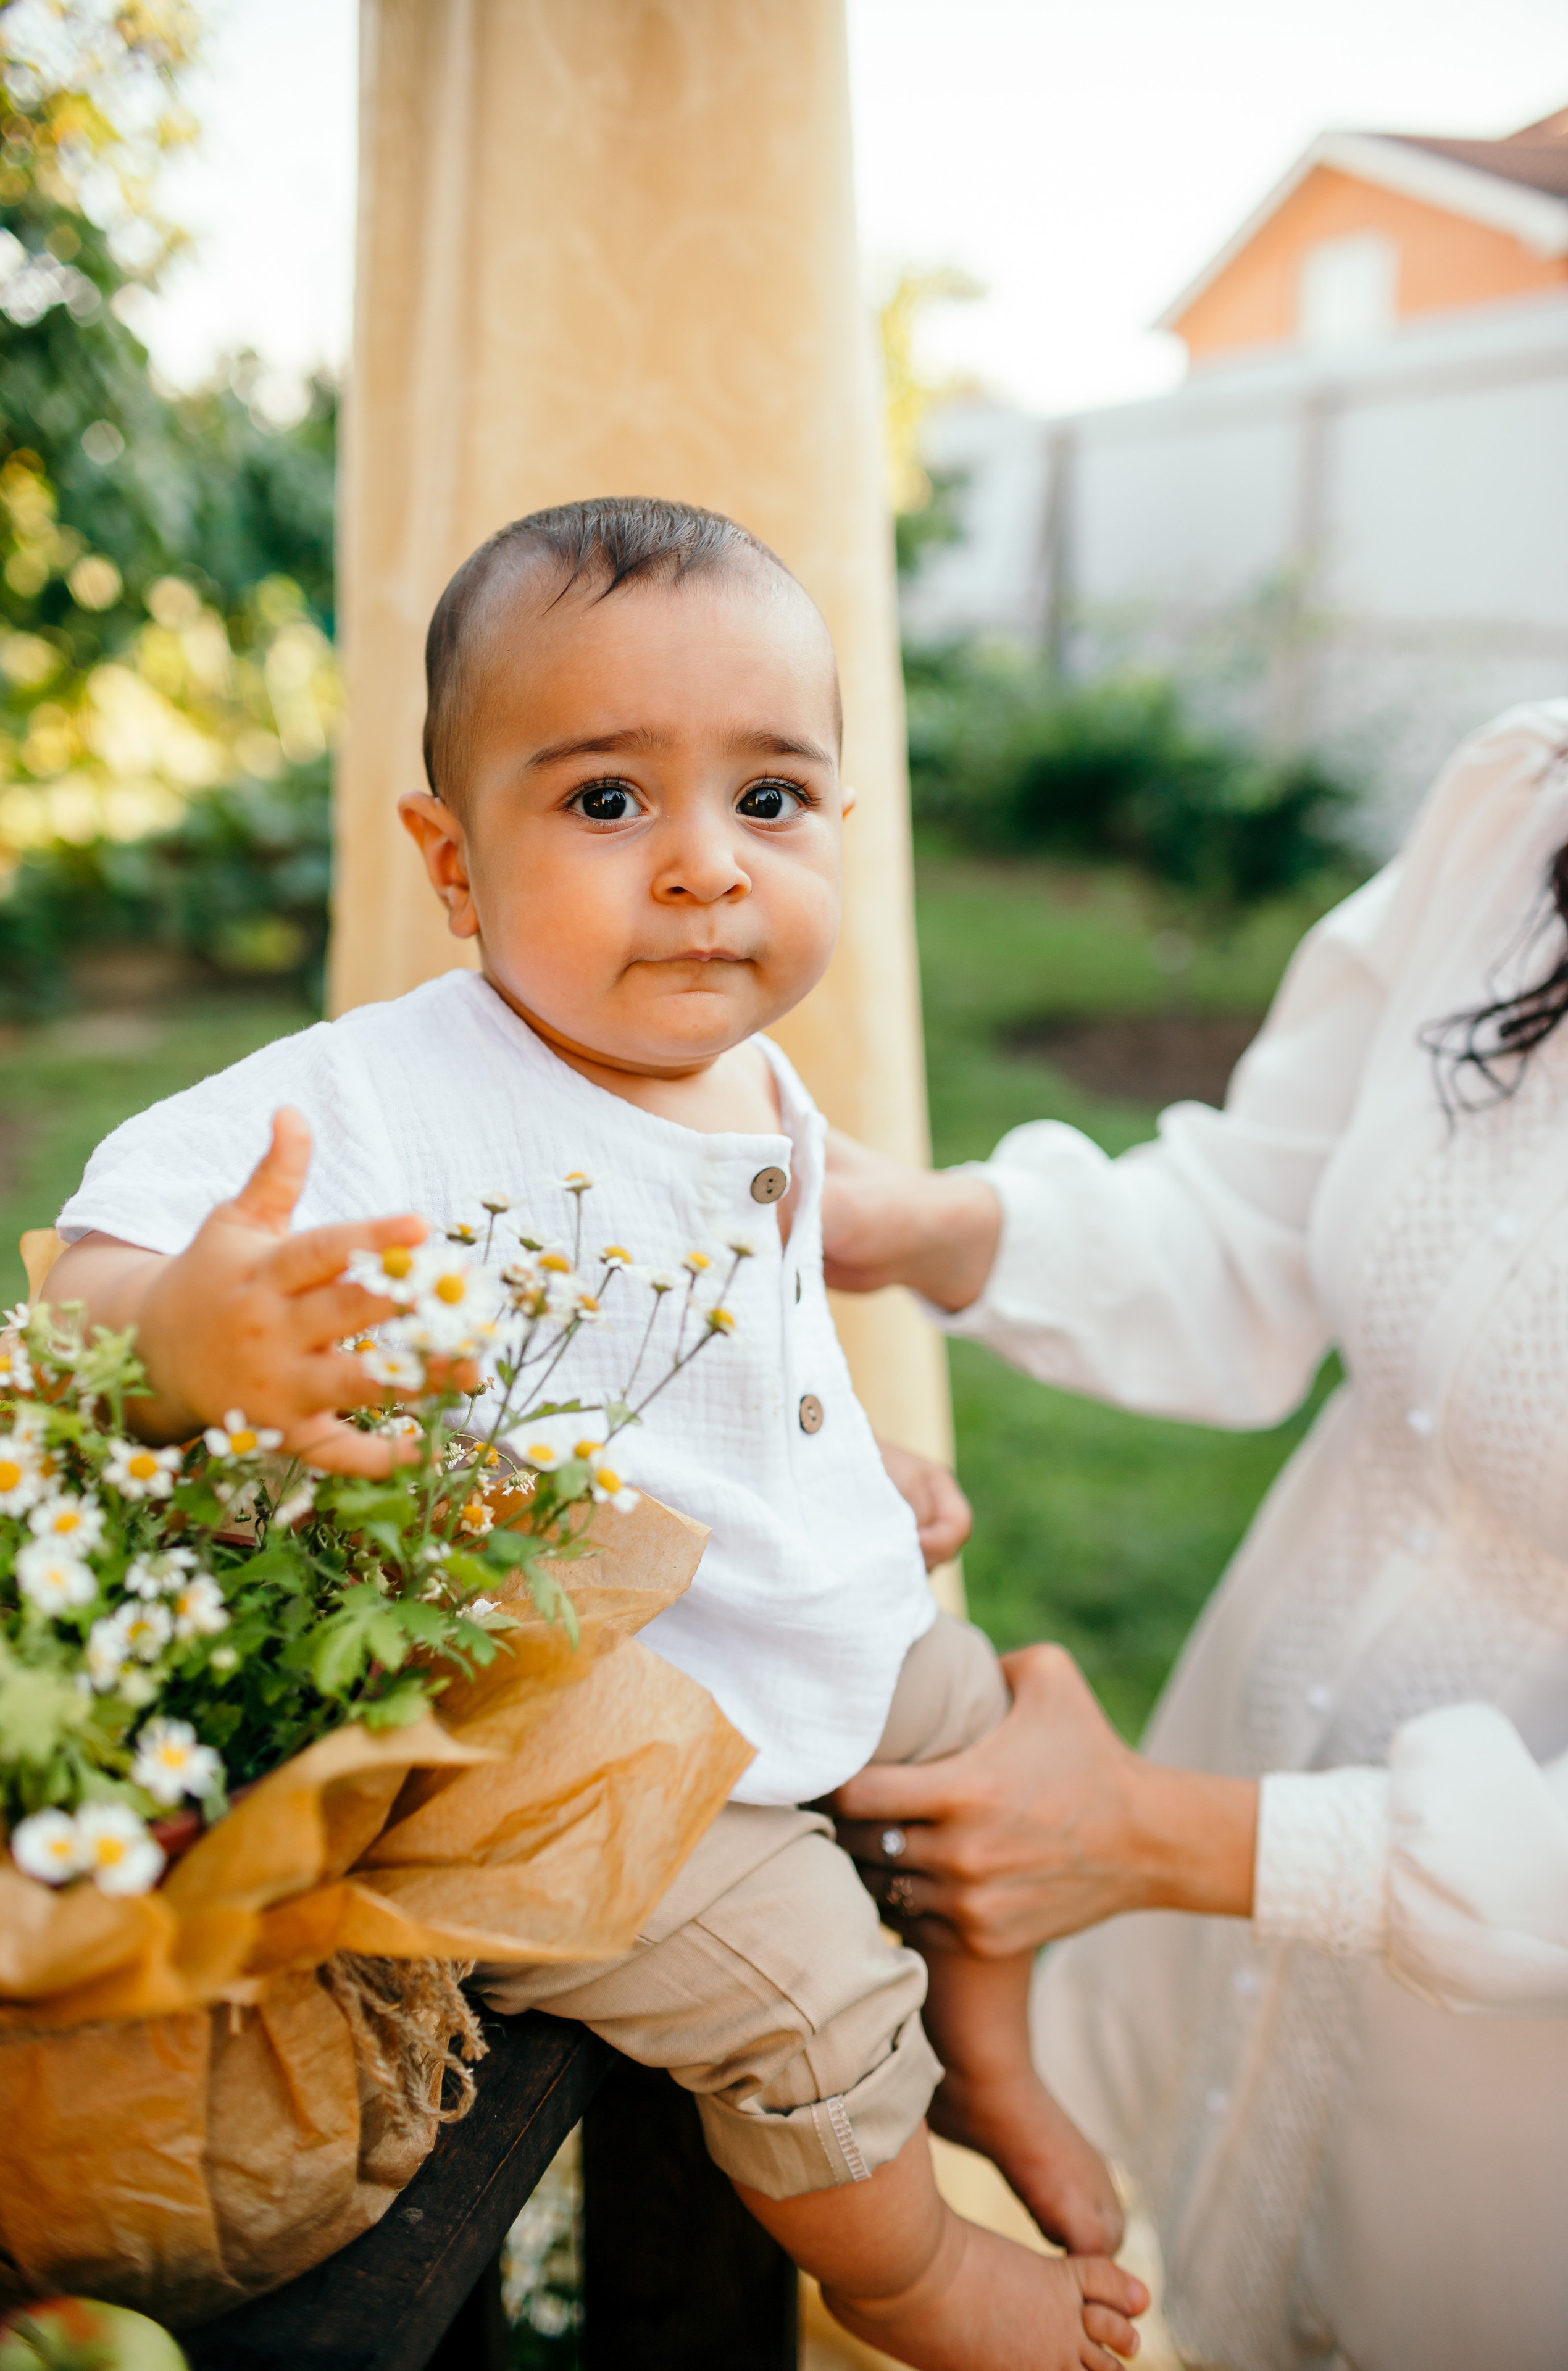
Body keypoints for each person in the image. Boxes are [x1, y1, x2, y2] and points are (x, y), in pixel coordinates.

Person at [43, 499, 1146, 2371]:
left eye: (772, 800)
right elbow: (92, 1263)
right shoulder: (386, 1095)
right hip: (585, 1755)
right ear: (454, 866)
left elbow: (742, 1330)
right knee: (800, 2001)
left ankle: (990, 2046)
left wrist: (838, 1454)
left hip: (792, 1628)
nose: (710, 869)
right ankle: (911, 2279)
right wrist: (192, 1338)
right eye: (610, 802)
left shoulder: (759, 1081)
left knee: (982, 1725)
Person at [824, 697, 1568, 2371]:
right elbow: (1267, 1211)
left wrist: (1166, 1840)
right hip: (1255, 1873)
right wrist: (937, 1228)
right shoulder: (1532, 790)